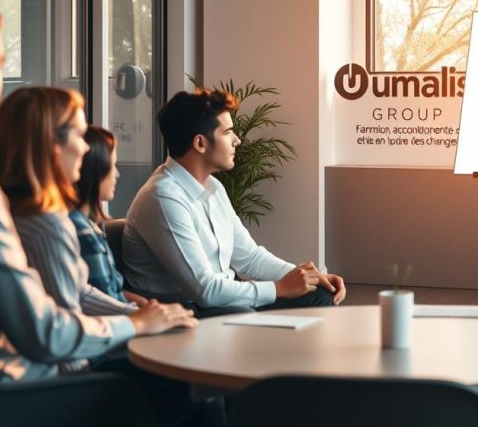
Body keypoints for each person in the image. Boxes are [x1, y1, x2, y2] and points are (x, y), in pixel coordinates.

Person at [0, 0, 187, 383]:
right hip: (4, 394)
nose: (1, 79)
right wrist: (135, 324)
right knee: (179, 390)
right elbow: (43, 334)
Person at [0, 87, 197, 373]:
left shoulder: (10, 212)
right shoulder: (47, 225)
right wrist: (135, 324)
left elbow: (80, 292)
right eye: (79, 135)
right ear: (52, 144)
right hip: (69, 380)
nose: (86, 149)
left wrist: (143, 315)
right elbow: (67, 340)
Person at [123, 89, 347, 317]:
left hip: (219, 301)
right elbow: (205, 290)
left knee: (320, 294)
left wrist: (309, 277)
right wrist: (280, 288)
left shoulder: (213, 187)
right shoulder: (164, 197)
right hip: (182, 311)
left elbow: (249, 258)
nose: (237, 140)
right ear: (200, 143)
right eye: (228, 132)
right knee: (242, 312)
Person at [72, 125, 146, 304]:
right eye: (112, 166)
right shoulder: (83, 232)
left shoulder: (92, 227)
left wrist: (147, 305)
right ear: (94, 171)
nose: (117, 174)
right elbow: (105, 298)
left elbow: (113, 291)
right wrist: (143, 313)